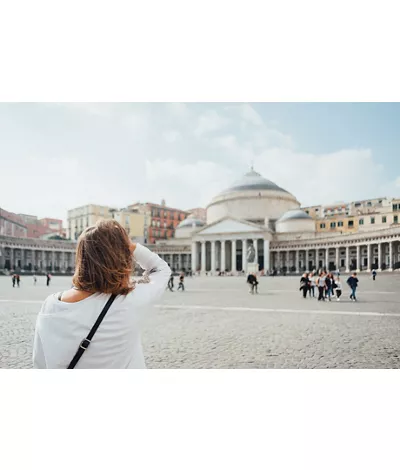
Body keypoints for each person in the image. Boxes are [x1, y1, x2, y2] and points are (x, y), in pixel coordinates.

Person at [33, 219, 171, 369]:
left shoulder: (50, 305)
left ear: (81, 258)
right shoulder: (129, 302)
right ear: (121, 258)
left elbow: (39, 364)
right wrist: (131, 246)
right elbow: (161, 269)